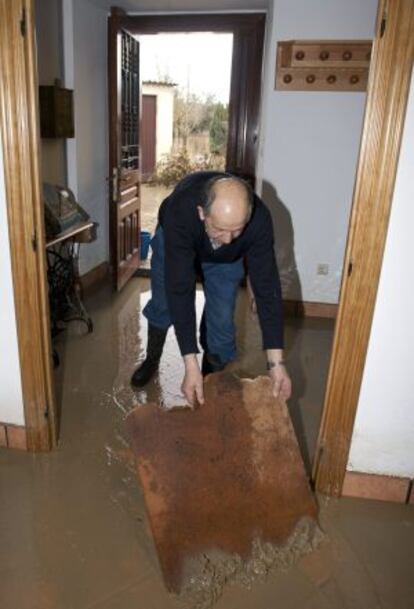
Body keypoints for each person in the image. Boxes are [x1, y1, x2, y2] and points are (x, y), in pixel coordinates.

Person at [131, 171, 291, 406]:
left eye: (237, 230)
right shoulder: (181, 212)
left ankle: (206, 381)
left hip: (226, 262)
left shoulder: (259, 219)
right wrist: (189, 362)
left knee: (222, 322)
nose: (228, 240)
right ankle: (152, 359)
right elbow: (180, 289)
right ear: (201, 213)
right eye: (220, 230)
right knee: (164, 303)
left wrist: (276, 365)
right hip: (175, 239)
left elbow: (268, 288)